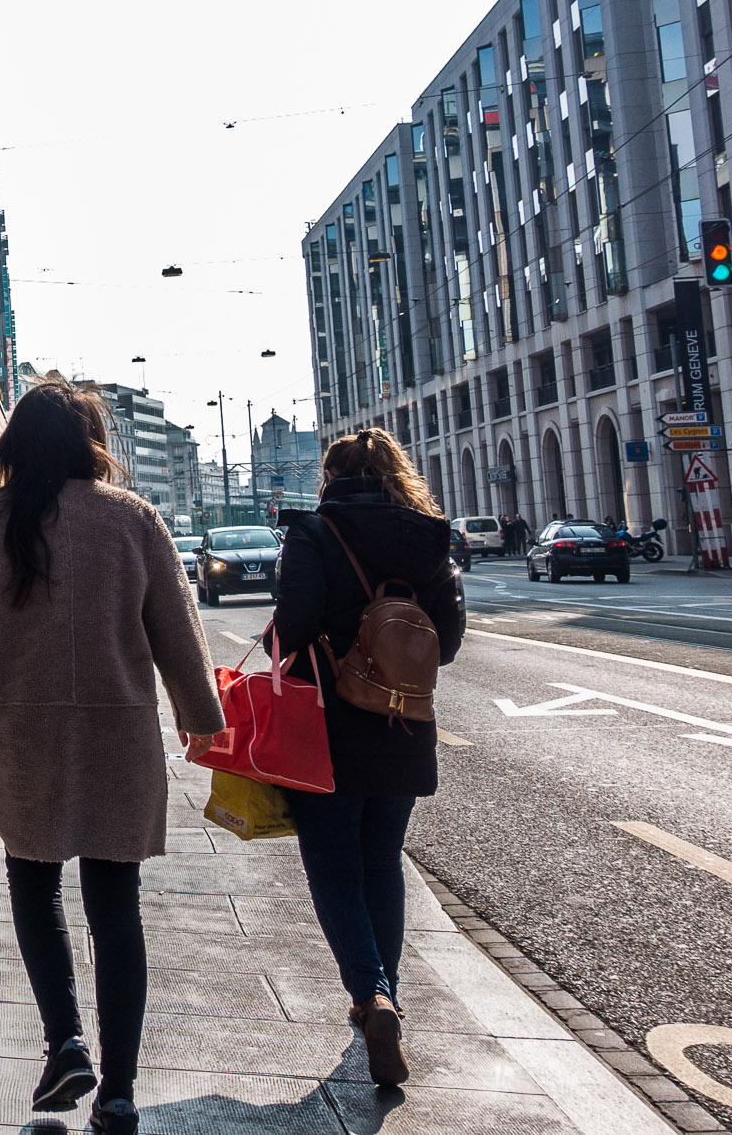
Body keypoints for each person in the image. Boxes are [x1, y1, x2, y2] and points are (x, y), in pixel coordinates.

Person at [0, 383, 225, 1135]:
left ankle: (64, 1042)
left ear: (15, 445)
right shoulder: (133, 519)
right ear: (90, 442)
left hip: (23, 738)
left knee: (33, 883)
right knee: (116, 909)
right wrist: (198, 717)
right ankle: (117, 1092)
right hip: (119, 735)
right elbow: (175, 628)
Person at [268, 428, 465, 1088]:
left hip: (325, 722)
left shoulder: (315, 533)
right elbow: (451, 641)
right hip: (403, 723)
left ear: (330, 476)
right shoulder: (428, 537)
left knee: (333, 868)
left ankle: (369, 994)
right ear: (393, 472)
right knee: (381, 861)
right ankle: (388, 995)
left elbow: (291, 625)